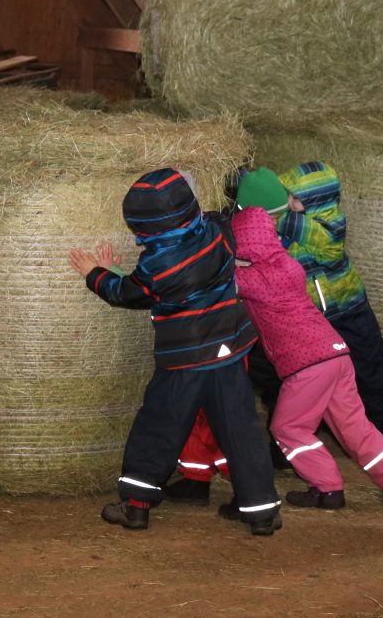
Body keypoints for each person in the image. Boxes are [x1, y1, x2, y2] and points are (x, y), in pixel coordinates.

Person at [68, 167, 282, 536]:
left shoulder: (157, 264)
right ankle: (261, 512)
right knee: (242, 431)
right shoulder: (219, 232)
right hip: (228, 352)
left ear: (145, 229)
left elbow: (127, 293)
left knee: (158, 428)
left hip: (183, 361)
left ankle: (136, 506)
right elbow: (217, 215)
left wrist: (95, 273)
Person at [228, 205, 383, 510]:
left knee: (288, 428)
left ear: (245, 245)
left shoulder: (254, 279)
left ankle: (327, 488)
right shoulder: (288, 265)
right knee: (355, 428)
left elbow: (218, 280)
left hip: (308, 364)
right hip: (336, 352)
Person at [245, 163, 383, 460]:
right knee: (283, 375)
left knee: (370, 372)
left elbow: (289, 223)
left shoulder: (331, 226)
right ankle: (289, 441)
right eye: (285, 194)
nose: (287, 201)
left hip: (347, 312)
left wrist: (263, 201)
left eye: (294, 197)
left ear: (317, 201)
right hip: (306, 321)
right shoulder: (287, 222)